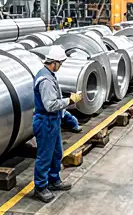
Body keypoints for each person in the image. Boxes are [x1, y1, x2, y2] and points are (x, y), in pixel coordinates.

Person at [32, 46, 83, 203]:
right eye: (60, 63)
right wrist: (70, 101)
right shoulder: (46, 80)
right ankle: (40, 187)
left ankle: (53, 180)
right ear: (53, 62)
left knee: (56, 153)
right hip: (45, 121)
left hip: (52, 121)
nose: (60, 66)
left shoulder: (50, 75)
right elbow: (50, 105)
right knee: (44, 156)